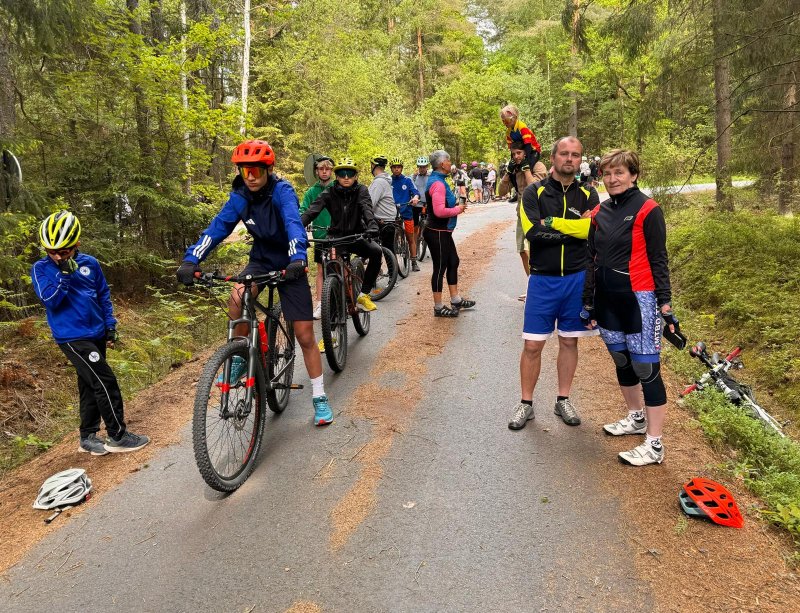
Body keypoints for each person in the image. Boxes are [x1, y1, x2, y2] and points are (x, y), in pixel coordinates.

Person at [176, 139, 334, 426]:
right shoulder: (240, 196)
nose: (250, 176)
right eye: (245, 170)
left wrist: (298, 258)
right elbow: (217, 228)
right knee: (237, 297)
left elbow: (293, 224)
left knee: (304, 334)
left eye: (256, 170)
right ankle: (240, 355)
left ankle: (319, 396)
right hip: (261, 259)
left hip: (290, 261)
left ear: (268, 169)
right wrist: (191, 260)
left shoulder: (282, 191)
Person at [583, 149, 675, 466]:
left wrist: (665, 303)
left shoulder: (649, 210)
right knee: (622, 361)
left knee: (646, 369)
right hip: (607, 301)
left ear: (633, 175)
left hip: (640, 299)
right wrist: (588, 301)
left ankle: (655, 444)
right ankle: (636, 418)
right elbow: (591, 259)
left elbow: (659, 259)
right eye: (607, 173)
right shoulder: (599, 212)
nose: (612, 179)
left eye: (619, 172)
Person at [32, 211, 150, 454]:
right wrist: (65, 275)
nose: (57, 256)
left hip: (96, 332)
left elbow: (103, 295)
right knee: (105, 381)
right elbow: (50, 300)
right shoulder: (41, 268)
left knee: (89, 383)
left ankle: (87, 437)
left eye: (63, 251)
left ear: (76, 244)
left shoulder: (90, 263)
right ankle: (118, 436)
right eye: (51, 251)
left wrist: (110, 326)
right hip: (72, 336)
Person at [509, 136, 599, 431]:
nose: (569, 159)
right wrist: (575, 230)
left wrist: (554, 224)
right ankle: (525, 403)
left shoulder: (588, 194)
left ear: (580, 159)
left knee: (569, 340)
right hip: (542, 279)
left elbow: (593, 231)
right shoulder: (534, 192)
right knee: (532, 344)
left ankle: (563, 399)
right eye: (564, 154)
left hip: (576, 278)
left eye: (575, 154)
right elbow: (533, 233)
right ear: (553, 157)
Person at [300, 157, 382, 313]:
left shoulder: (361, 190)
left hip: (357, 236)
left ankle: (363, 295)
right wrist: (296, 229)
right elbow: (311, 211)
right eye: (342, 173)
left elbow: (366, 209)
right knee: (331, 275)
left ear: (355, 176)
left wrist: (372, 226)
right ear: (336, 176)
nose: (346, 177)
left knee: (376, 252)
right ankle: (331, 318)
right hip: (336, 239)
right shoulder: (329, 192)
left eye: (350, 173)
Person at [423, 150, 475, 317]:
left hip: (442, 231)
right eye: (448, 160)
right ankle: (438, 307)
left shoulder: (439, 180)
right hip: (436, 231)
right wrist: (458, 209)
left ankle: (456, 300)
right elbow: (439, 211)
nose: (450, 163)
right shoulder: (438, 184)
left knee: (453, 261)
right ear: (442, 164)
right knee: (440, 268)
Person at [499, 141, 548, 301]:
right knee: (522, 250)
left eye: (519, 153)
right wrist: (508, 173)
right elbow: (501, 191)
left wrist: (527, 170)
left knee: (536, 251)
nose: (516, 156)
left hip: (538, 215)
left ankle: (541, 287)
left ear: (526, 152)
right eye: (513, 154)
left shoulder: (538, 166)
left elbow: (536, 189)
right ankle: (533, 286)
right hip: (522, 214)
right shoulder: (514, 170)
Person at [299, 155, 334, 320]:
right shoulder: (312, 192)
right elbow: (303, 210)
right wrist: (303, 222)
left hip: (337, 235)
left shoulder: (337, 187)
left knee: (340, 265)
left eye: (327, 169)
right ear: (316, 171)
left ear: (332, 171)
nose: (324, 172)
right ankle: (320, 303)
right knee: (320, 270)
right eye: (321, 169)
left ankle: (346, 298)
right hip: (320, 237)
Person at [500, 104, 542, 202]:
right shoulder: (508, 133)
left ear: (514, 117)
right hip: (520, 150)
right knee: (513, 172)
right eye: (503, 121)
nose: (505, 123)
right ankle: (518, 192)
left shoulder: (522, 127)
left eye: (506, 121)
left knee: (528, 167)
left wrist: (526, 160)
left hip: (533, 150)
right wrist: (512, 163)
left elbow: (528, 145)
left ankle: (530, 195)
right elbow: (511, 149)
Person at [389, 157, 421, 271]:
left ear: (401, 168)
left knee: (410, 238)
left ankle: (414, 261)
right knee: (391, 238)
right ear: (391, 169)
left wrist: (415, 198)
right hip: (392, 213)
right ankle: (392, 263)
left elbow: (416, 192)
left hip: (406, 212)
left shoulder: (407, 180)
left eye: (398, 167)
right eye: (394, 167)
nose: (396, 169)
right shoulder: (388, 181)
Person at [367, 153, 399, 266]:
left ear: (373, 166)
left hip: (383, 221)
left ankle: (388, 273)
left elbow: (369, 203)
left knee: (381, 249)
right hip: (388, 219)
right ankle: (392, 273)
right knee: (389, 249)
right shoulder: (384, 180)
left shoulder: (379, 182)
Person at [411, 156, 430, 262]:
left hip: (428, 204)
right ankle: (414, 249)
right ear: (418, 167)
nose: (422, 169)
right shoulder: (413, 177)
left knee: (431, 225)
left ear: (427, 167)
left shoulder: (431, 177)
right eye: (420, 167)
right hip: (416, 205)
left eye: (424, 167)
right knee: (415, 227)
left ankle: (430, 243)